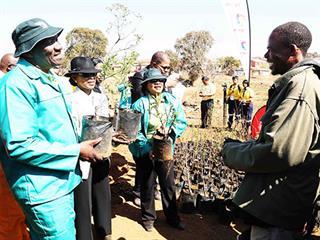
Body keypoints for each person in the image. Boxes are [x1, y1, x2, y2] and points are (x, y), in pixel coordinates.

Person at [0, 18, 102, 240]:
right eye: (48, 41)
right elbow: (19, 145)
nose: (58, 45)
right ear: (28, 49)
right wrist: (76, 151)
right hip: (42, 190)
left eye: (56, 39)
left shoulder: (50, 78)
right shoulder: (16, 85)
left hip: (60, 182)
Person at [222, 21, 320, 240]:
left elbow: (279, 151)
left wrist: (231, 152)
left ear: (293, 51)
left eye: (271, 50)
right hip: (278, 200)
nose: (266, 56)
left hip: (280, 204)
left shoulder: (301, 87)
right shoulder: (298, 83)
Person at [129, 68, 187, 232]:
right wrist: (147, 147)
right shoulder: (139, 104)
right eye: (153, 81)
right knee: (148, 184)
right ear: (146, 85)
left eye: (160, 81)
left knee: (168, 185)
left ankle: (173, 218)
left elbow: (181, 121)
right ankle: (148, 218)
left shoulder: (171, 101)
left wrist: (170, 133)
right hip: (145, 150)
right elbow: (134, 131)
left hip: (166, 148)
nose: (158, 83)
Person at [67, 57, 112, 240]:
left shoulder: (100, 97)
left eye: (93, 74)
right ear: (75, 77)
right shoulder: (70, 99)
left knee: (102, 194)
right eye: (86, 74)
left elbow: (105, 124)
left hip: (101, 153)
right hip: (81, 155)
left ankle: (105, 232)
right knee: (83, 200)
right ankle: (84, 235)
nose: (91, 78)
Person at [0, 53, 30, 240]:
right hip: (5, 163)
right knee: (9, 216)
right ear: (10, 68)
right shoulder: (7, 88)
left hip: (11, 162)